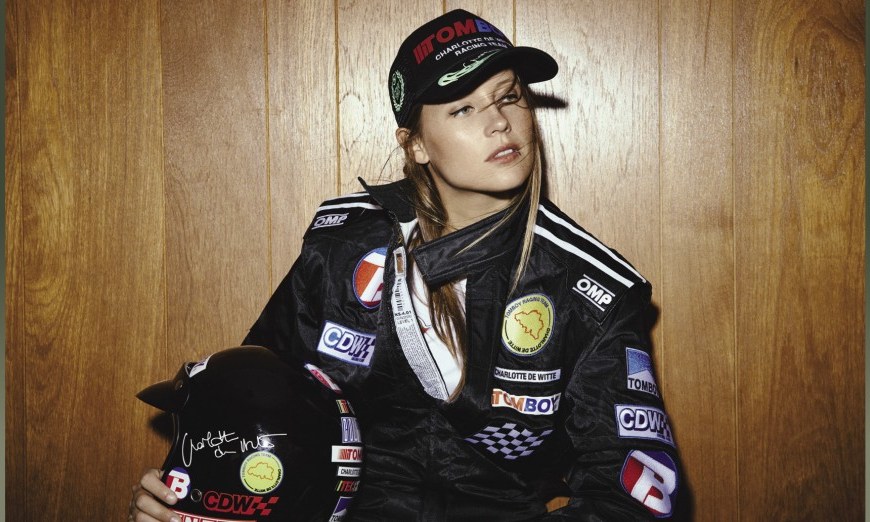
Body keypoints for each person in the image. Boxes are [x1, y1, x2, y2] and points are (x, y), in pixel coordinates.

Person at [131, 9, 683, 521]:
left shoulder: (590, 289)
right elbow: (253, 411)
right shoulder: (344, 246)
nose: (499, 122)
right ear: (415, 143)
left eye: (509, 97)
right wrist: (191, 503)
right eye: (463, 108)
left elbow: (635, 497)